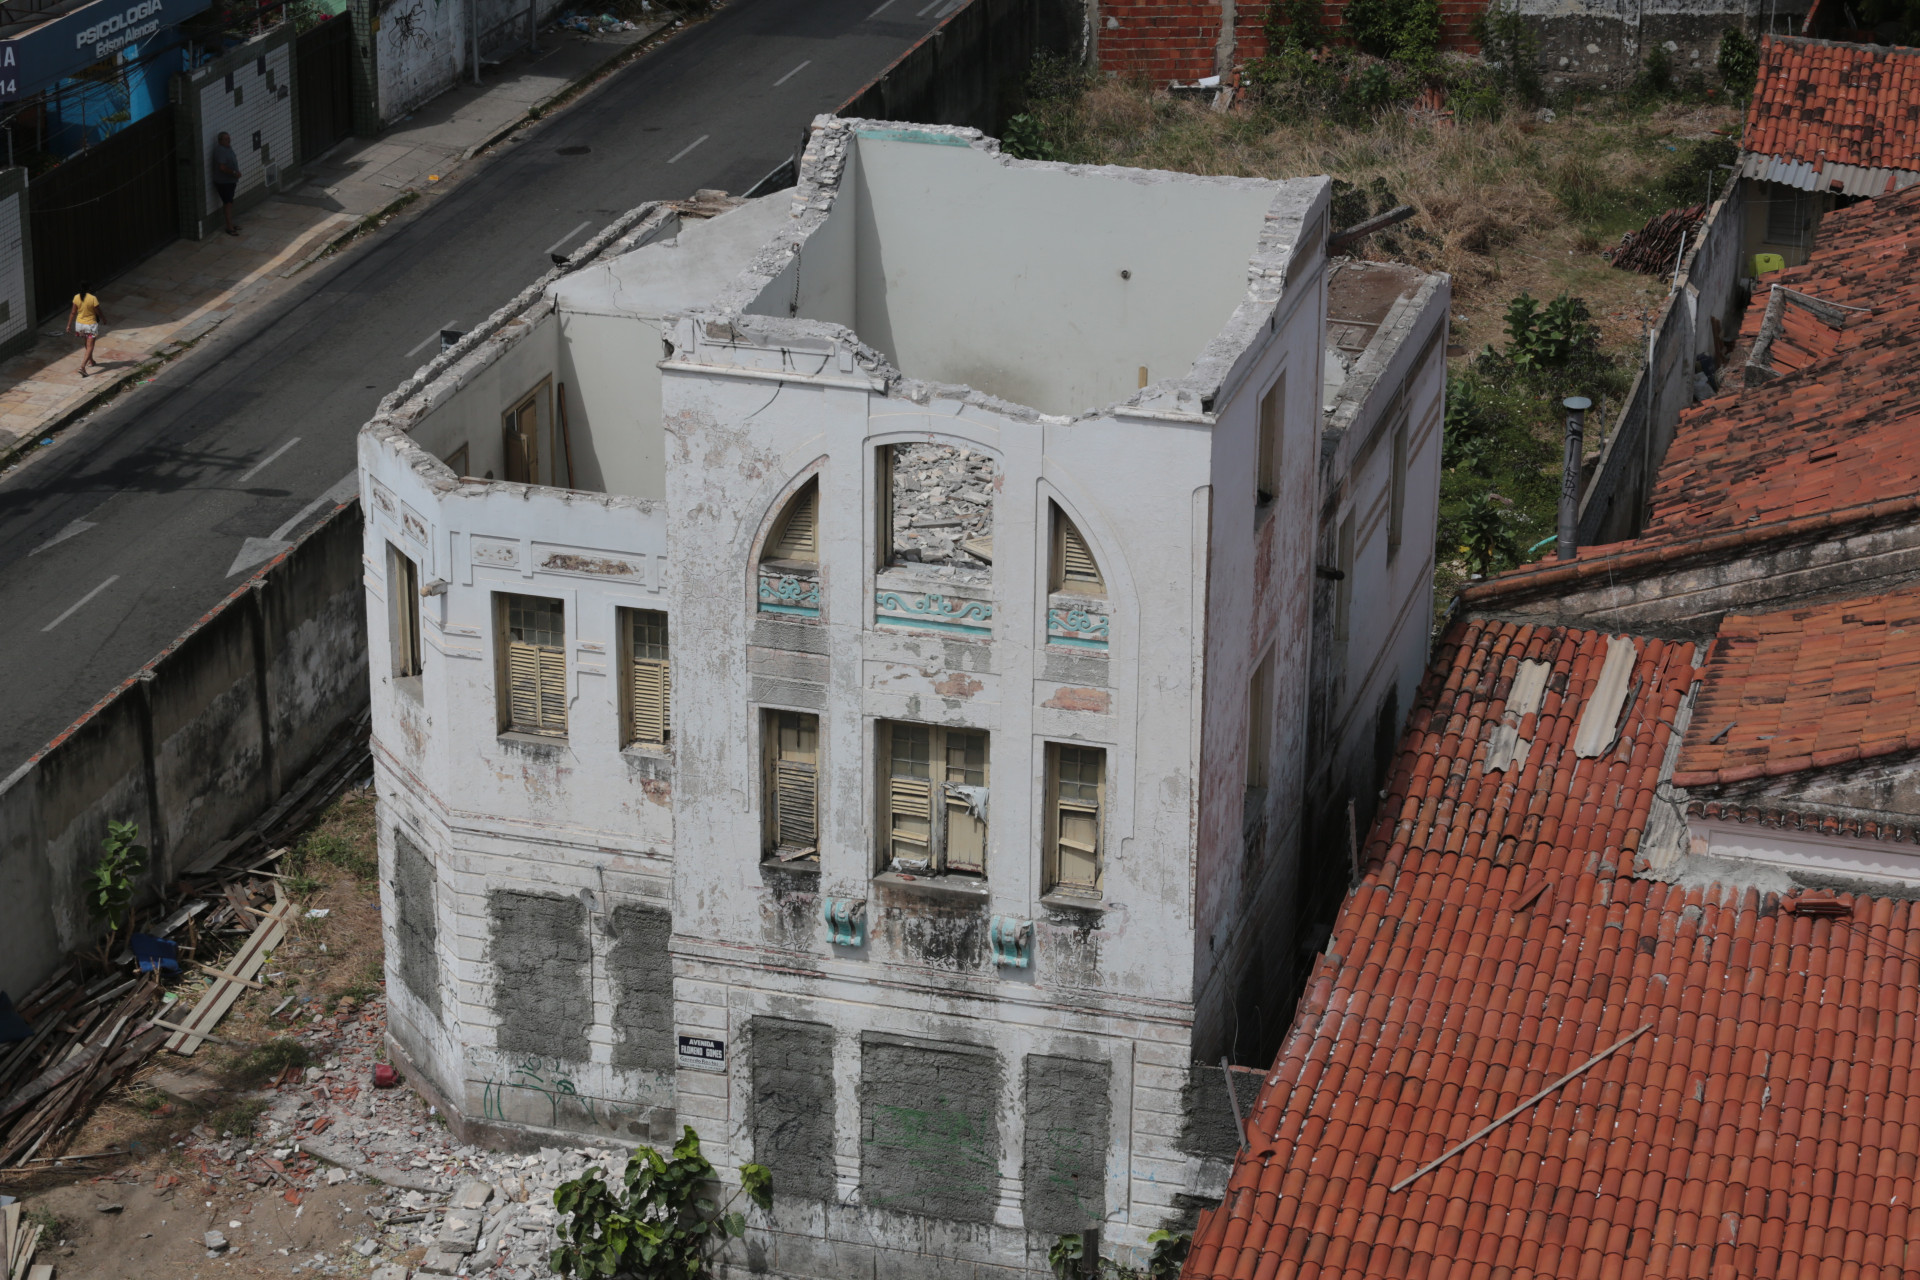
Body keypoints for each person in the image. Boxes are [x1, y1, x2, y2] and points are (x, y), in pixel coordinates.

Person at [66, 287, 104, 377]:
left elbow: (73, 312)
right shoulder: (93, 298)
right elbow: (98, 311)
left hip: (80, 325)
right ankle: (82, 367)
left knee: (86, 343)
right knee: (90, 346)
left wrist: (68, 325)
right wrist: (104, 319)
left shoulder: (76, 297)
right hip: (90, 325)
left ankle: (91, 361)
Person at [210, 131, 241, 236]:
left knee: (229, 203)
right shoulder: (220, 151)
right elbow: (222, 167)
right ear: (220, 141)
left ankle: (231, 224)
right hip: (224, 182)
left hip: (230, 181)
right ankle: (229, 227)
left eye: (229, 138)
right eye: (226, 139)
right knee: (227, 203)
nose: (229, 140)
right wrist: (233, 173)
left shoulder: (228, 148)